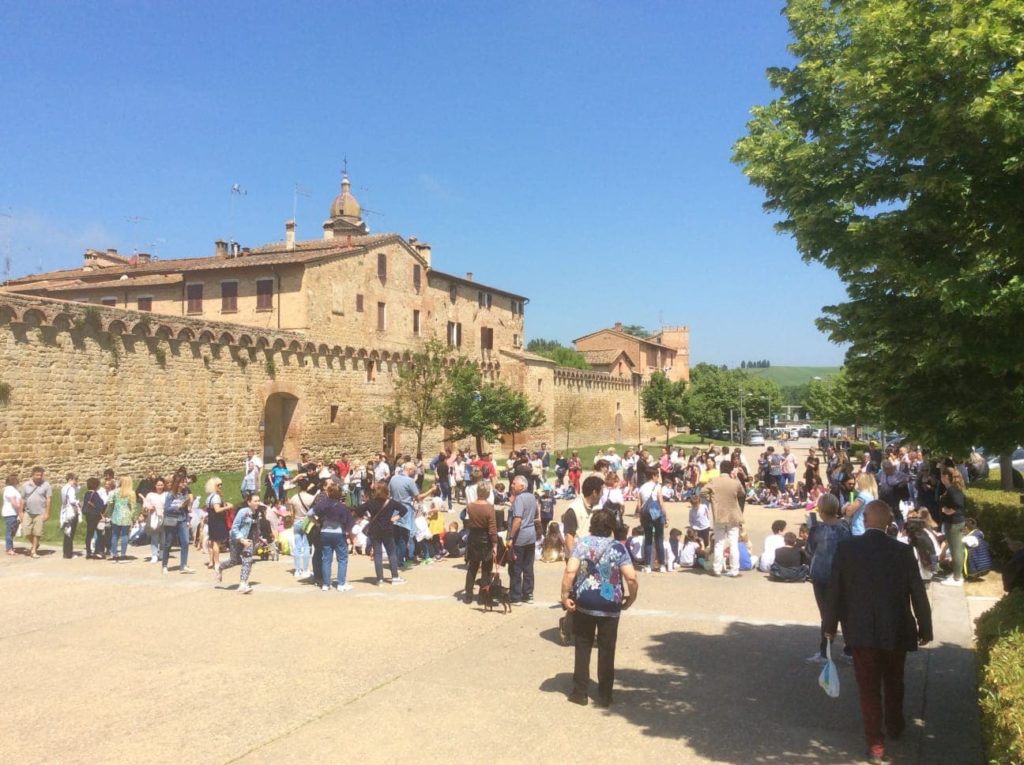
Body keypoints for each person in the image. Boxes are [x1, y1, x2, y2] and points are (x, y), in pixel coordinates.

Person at [823, 501, 933, 765]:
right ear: (888, 523)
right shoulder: (903, 551)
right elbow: (917, 591)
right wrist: (925, 625)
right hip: (896, 627)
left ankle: (875, 743)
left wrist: (829, 627)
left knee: (868, 688)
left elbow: (834, 591)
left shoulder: (847, 549)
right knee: (895, 681)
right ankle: (895, 725)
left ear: (867, 520)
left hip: (861, 630)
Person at [561, 508, 639, 707]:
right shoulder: (618, 548)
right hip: (609, 602)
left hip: (585, 601)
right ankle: (605, 694)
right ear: (612, 527)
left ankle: (580, 692)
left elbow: (570, 571)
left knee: (583, 646)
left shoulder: (582, 544)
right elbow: (631, 576)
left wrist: (564, 595)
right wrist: (631, 597)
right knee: (607, 648)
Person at [805, 493, 851, 665]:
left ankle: (825, 652)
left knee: (827, 614)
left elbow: (809, 551)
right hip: (842, 576)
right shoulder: (845, 528)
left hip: (822, 575)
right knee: (845, 613)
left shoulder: (817, 529)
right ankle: (850, 650)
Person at [701, 461, 746, 577]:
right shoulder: (734, 482)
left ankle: (717, 569)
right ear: (731, 470)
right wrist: (736, 479)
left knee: (719, 543)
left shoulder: (714, 481)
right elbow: (742, 493)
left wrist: (711, 498)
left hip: (719, 514)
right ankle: (735, 569)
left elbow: (702, 491)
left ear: (720, 469)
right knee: (733, 543)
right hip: (733, 515)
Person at [357, 481, 406, 585]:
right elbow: (404, 510)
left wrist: (366, 517)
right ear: (386, 490)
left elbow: (358, 510)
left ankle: (380, 579)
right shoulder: (391, 502)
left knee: (377, 555)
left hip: (375, 530)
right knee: (392, 553)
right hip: (387, 529)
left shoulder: (370, 502)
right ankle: (395, 577)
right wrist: (396, 517)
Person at [313, 482, 354, 592]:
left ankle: (326, 584)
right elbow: (350, 522)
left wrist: (317, 523)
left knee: (326, 559)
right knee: (342, 559)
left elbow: (309, 514)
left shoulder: (322, 504)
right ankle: (341, 584)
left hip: (325, 532)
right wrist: (347, 533)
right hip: (338, 532)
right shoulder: (342, 507)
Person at [216, 493, 261, 594]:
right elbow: (234, 528)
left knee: (247, 561)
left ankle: (243, 584)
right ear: (249, 502)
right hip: (236, 539)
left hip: (248, 541)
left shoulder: (258, 512)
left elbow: (256, 527)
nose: (258, 503)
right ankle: (220, 567)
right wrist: (241, 539)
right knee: (234, 561)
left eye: (258, 500)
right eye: (255, 501)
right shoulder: (243, 512)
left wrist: (258, 537)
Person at [463, 480, 498, 603]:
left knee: (472, 567)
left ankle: (468, 594)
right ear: (487, 492)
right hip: (485, 538)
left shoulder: (470, 506)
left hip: (473, 536)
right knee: (486, 569)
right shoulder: (489, 508)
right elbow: (492, 528)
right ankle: (483, 595)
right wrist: (494, 543)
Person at [507, 475, 539, 603]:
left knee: (516, 567)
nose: (512, 485)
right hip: (531, 536)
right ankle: (528, 593)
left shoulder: (519, 499)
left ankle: (516, 596)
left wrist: (510, 537)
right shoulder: (532, 497)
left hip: (520, 537)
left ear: (522, 486)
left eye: (514, 484)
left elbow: (517, 520)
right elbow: (537, 513)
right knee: (528, 566)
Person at [938, 466, 966, 587]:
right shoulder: (952, 489)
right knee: (956, 549)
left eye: (941, 476)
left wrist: (948, 510)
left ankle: (957, 578)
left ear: (945, 477)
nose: (940, 478)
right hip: (954, 522)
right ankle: (956, 573)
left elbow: (959, 503)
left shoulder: (952, 490)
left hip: (954, 523)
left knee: (955, 550)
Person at [636, 470, 668, 573]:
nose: (658, 478)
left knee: (648, 539)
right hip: (656, 513)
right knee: (659, 539)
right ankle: (662, 564)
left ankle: (647, 565)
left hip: (646, 514)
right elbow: (661, 502)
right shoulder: (657, 487)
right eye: (657, 476)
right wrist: (665, 516)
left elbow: (639, 505)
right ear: (653, 476)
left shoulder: (641, 488)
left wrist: (641, 517)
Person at [562, 475, 603, 555]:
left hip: (592, 555)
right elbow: (569, 537)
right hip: (577, 555)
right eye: (601, 492)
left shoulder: (599, 507)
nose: (602, 494)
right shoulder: (573, 510)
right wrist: (574, 558)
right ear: (594, 493)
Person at [162, 474, 193, 574]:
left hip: (182, 520)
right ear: (178, 484)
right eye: (183, 482)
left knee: (185, 542)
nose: (185, 484)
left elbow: (186, 509)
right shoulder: (171, 495)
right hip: (171, 519)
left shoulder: (184, 494)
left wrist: (188, 519)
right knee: (168, 543)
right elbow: (166, 508)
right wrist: (178, 507)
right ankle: (164, 565)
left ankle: (183, 565)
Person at [20, 466, 51, 559]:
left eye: (41, 475)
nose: (39, 477)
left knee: (37, 532)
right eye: (37, 475)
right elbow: (22, 499)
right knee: (26, 531)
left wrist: (47, 513)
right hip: (28, 512)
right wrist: (20, 512)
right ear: (32, 475)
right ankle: (35, 544)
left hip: (40, 512)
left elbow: (49, 499)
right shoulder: (25, 485)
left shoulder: (46, 485)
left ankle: (33, 550)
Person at [204, 478, 233, 572]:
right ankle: (216, 562)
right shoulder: (216, 497)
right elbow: (217, 510)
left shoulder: (209, 497)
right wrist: (228, 507)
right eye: (218, 485)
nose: (220, 486)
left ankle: (211, 561)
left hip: (212, 521)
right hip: (217, 521)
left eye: (221, 484)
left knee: (212, 542)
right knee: (216, 543)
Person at [107, 476, 135, 562]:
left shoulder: (114, 492)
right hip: (126, 515)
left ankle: (114, 554)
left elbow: (110, 503)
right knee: (125, 535)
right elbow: (133, 507)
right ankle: (123, 554)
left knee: (115, 535)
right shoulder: (131, 493)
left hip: (116, 515)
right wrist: (132, 518)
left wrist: (109, 513)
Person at [142, 477, 167, 564]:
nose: (160, 486)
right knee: (154, 537)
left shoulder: (167, 494)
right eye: (158, 485)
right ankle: (154, 555)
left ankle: (162, 553)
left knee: (164, 537)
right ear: (155, 486)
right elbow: (145, 505)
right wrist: (149, 507)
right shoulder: (150, 495)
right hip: (154, 518)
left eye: (161, 485)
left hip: (165, 517)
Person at [60, 473, 81, 559]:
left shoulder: (64, 488)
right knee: (70, 532)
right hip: (71, 511)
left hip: (65, 510)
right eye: (75, 480)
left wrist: (77, 485)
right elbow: (72, 500)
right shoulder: (70, 488)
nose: (76, 482)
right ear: (71, 479)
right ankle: (69, 553)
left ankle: (66, 552)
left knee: (67, 532)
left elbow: (78, 490)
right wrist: (78, 502)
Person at [4, 473, 23, 555]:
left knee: (12, 531)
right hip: (10, 512)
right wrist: (20, 510)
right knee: (10, 531)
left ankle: (10, 547)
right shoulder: (10, 489)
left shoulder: (13, 489)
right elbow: (13, 503)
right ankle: (9, 548)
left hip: (13, 512)